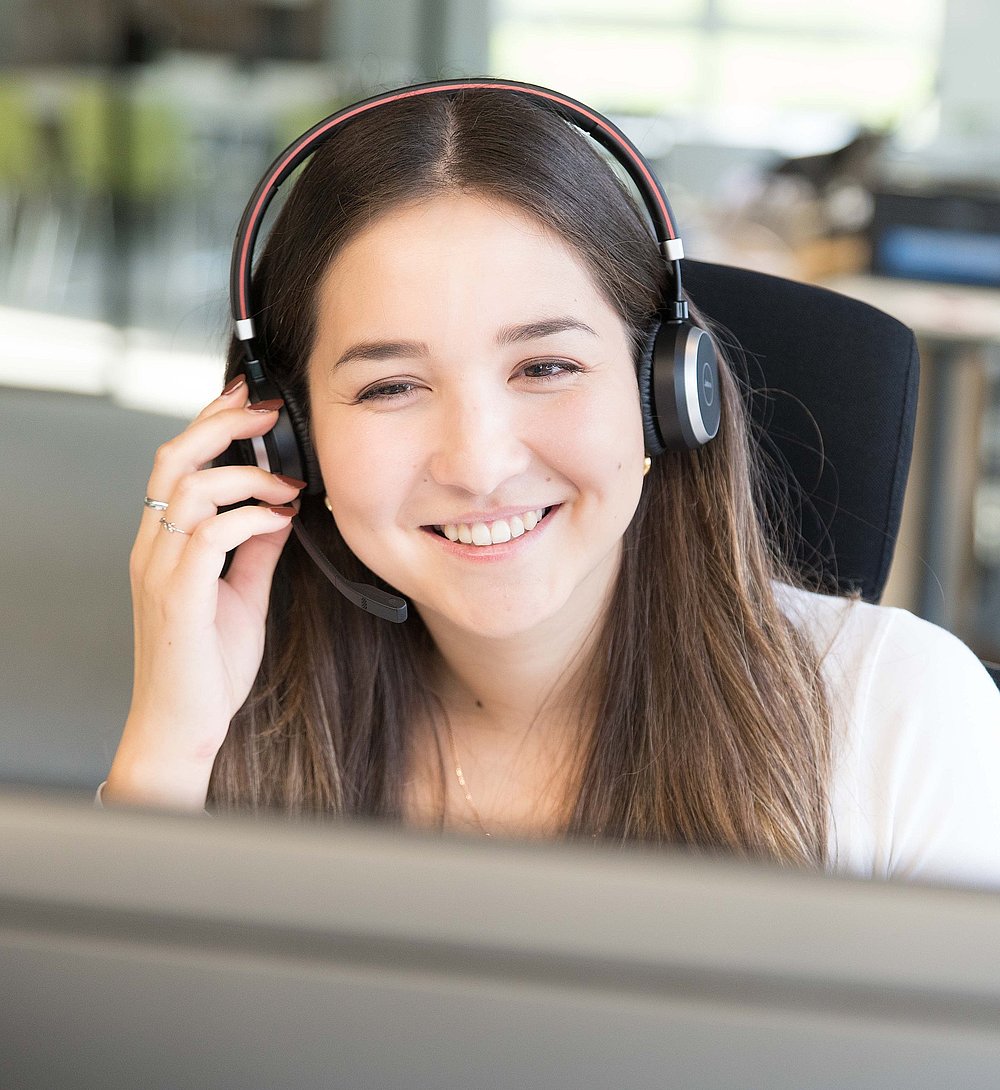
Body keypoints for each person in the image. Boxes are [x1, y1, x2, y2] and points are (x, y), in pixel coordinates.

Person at [102, 80, 1000, 887]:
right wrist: (168, 760)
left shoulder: (902, 720)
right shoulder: (231, 723)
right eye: (390, 387)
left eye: (545, 367)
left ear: (666, 392)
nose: (481, 464)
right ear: (288, 441)